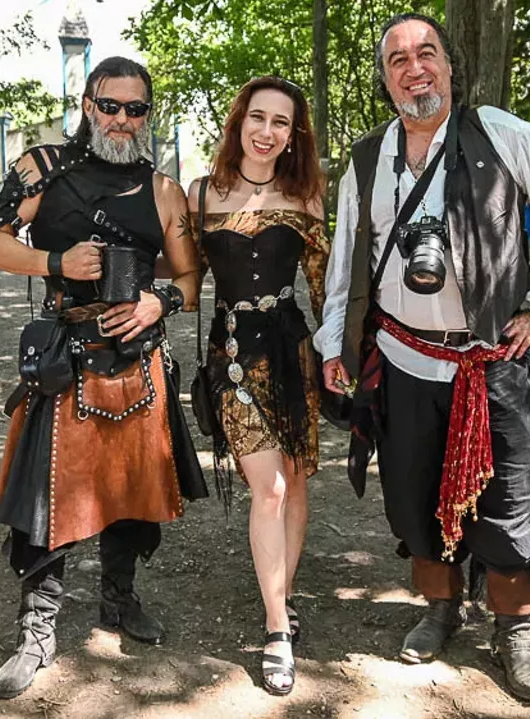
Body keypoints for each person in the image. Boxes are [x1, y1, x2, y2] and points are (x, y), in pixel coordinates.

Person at [315, 14, 530, 703]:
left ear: (448, 64)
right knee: (412, 494)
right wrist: (333, 342)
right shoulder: (365, 159)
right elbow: (345, 264)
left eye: (426, 53)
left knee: (510, 501)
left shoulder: (503, 134)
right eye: (398, 60)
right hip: (404, 360)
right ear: (385, 79)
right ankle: (441, 607)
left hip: (490, 363)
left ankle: (514, 630)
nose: (414, 68)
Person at [0, 56, 207, 699]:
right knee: (50, 499)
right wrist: (53, 259)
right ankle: (37, 631)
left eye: (136, 109)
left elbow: (190, 275)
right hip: (65, 358)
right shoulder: (42, 167)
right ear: (87, 104)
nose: (123, 120)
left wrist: (164, 301)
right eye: (111, 106)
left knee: (132, 489)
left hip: (138, 360)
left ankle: (119, 600)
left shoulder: (164, 191)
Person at [187, 76, 328, 696]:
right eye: (259, 118)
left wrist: (350, 356)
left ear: (293, 135)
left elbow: (328, 289)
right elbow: (182, 274)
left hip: (293, 354)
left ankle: (283, 594)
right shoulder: (200, 195)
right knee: (267, 487)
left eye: (282, 123)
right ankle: (277, 629)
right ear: (240, 120)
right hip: (233, 357)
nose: (268, 132)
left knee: (293, 482)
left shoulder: (307, 197)